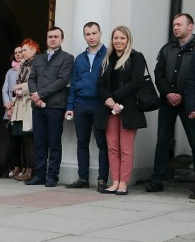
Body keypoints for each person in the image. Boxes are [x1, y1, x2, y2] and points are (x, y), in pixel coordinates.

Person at [147, 13, 195, 193]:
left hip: (190, 103)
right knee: (162, 141)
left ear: (190, 26)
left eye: (179, 25)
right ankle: (157, 180)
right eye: (174, 25)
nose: (175, 27)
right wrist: (168, 93)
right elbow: (158, 74)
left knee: (194, 141)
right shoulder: (167, 49)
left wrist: (186, 97)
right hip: (168, 102)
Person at [97, 26, 147, 195]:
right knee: (112, 147)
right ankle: (115, 181)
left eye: (122, 38)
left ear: (128, 40)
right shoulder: (107, 59)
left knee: (125, 148)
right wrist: (109, 101)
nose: (118, 41)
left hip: (129, 109)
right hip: (110, 110)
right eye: (115, 38)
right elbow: (100, 85)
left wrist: (115, 97)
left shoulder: (136, 57)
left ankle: (124, 183)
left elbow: (137, 81)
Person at [25, 27, 74, 187]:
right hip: (37, 106)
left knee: (54, 143)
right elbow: (31, 79)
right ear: (46, 39)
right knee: (39, 142)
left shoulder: (67, 58)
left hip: (55, 106)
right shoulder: (38, 59)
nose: (53, 39)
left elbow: (62, 80)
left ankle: (52, 176)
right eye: (50, 37)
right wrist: (35, 95)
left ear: (61, 39)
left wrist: (41, 94)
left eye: (56, 36)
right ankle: (39, 175)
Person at [65, 22, 109, 192]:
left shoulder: (108, 55)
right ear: (84, 36)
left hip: (100, 104)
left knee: (102, 143)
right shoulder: (80, 58)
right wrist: (70, 106)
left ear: (100, 33)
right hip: (81, 104)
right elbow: (74, 83)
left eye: (94, 33)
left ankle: (102, 179)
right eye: (88, 34)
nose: (91, 37)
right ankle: (83, 177)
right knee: (81, 142)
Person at [10, 39, 41, 181]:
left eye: (25, 50)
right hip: (20, 104)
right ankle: (25, 168)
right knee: (23, 139)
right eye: (21, 50)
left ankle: (32, 170)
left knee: (30, 139)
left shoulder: (37, 63)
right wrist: (16, 90)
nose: (22, 53)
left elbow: (36, 83)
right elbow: (17, 82)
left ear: (34, 50)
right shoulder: (22, 64)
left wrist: (21, 88)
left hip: (29, 104)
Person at [0, 46, 23, 178]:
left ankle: (6, 168)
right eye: (15, 52)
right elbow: (5, 89)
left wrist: (13, 103)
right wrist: (7, 105)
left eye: (20, 52)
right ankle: (14, 167)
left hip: (21, 108)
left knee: (18, 141)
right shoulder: (10, 71)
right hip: (9, 110)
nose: (17, 54)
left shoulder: (27, 69)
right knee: (13, 140)